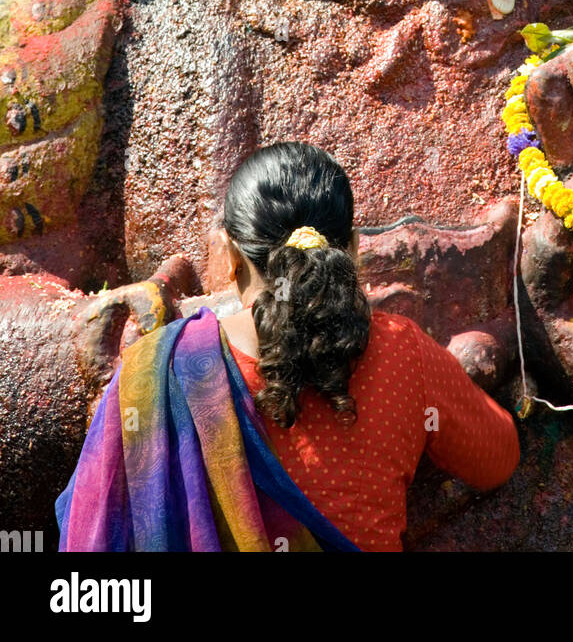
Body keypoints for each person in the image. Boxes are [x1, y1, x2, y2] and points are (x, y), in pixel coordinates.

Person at [57, 141, 519, 551]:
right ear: (353, 249)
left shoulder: (160, 369)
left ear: (232, 255)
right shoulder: (404, 352)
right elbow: (497, 459)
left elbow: (95, 524)